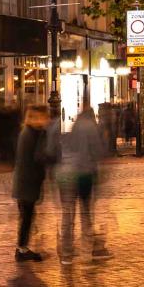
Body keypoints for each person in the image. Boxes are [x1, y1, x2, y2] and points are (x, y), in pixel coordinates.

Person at [51, 105, 112, 264]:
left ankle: (66, 254)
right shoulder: (90, 126)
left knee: (67, 214)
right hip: (83, 174)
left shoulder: (64, 125)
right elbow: (99, 152)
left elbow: (52, 150)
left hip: (64, 175)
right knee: (85, 214)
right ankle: (88, 251)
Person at [12, 103, 52, 261]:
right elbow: (38, 157)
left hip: (25, 182)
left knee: (27, 216)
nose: (47, 119)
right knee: (27, 217)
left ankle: (22, 248)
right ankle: (22, 250)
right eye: (44, 116)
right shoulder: (32, 134)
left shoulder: (29, 132)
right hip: (27, 182)